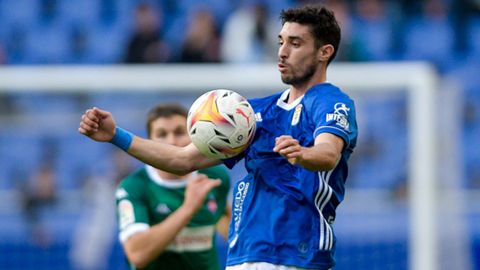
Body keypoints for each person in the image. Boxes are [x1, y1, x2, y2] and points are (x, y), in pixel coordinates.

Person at [79, 5, 358, 270]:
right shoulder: (252, 113)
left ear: (325, 52)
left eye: (295, 44)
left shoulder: (330, 102)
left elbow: (328, 153)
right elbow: (181, 159)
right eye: (281, 41)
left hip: (296, 256)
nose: (282, 52)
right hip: (244, 255)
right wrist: (116, 135)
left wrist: (303, 154)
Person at [114, 104, 231, 269]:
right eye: (162, 134)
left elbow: (228, 223)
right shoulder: (134, 186)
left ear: (194, 136)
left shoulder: (215, 176)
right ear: (150, 143)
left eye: (179, 132)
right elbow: (137, 255)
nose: (172, 141)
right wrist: (188, 208)